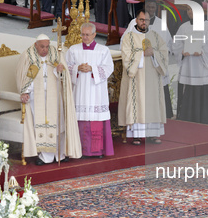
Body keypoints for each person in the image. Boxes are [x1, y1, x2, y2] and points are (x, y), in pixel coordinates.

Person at [17, 34, 81, 164]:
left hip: (55, 95)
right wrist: (25, 91)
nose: (45, 50)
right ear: (36, 45)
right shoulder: (28, 55)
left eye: (47, 46)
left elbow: (65, 78)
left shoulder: (56, 53)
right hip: (37, 96)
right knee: (41, 124)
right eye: (42, 47)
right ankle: (44, 156)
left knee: (58, 123)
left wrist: (59, 71)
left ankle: (60, 154)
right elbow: (23, 76)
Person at [118, 9, 168, 145]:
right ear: (136, 20)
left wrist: (154, 54)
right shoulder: (128, 37)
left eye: (146, 20)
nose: (144, 22)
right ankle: (137, 135)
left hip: (153, 77)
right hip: (137, 78)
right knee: (138, 103)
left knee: (152, 104)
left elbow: (164, 53)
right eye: (141, 20)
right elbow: (126, 56)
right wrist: (141, 55)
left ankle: (153, 134)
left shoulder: (156, 36)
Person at [65, 23, 115, 158]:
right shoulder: (73, 50)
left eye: (87, 35)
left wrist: (92, 68)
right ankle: (77, 150)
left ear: (94, 34)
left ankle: (96, 151)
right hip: (80, 90)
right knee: (80, 118)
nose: (85, 37)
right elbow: (65, 67)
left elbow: (109, 68)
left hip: (96, 92)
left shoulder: (103, 50)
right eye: (83, 34)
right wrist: (77, 68)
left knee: (95, 119)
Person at [172, 8, 208, 125]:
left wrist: (202, 51)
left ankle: (205, 118)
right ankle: (188, 117)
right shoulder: (184, 27)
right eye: (188, 9)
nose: (190, 12)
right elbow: (176, 43)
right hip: (188, 65)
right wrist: (181, 51)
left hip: (202, 67)